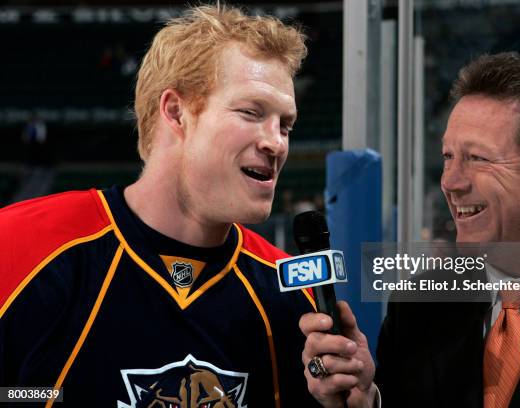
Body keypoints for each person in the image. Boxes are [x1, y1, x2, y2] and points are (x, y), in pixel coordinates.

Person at [0, 5, 319, 407]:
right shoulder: (17, 248)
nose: (277, 143)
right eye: (251, 112)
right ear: (175, 112)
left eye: (285, 124)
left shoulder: (293, 298)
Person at [300, 52, 520, 408]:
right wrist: (367, 400)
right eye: (449, 157)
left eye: (478, 158)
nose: (451, 182)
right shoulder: (420, 304)